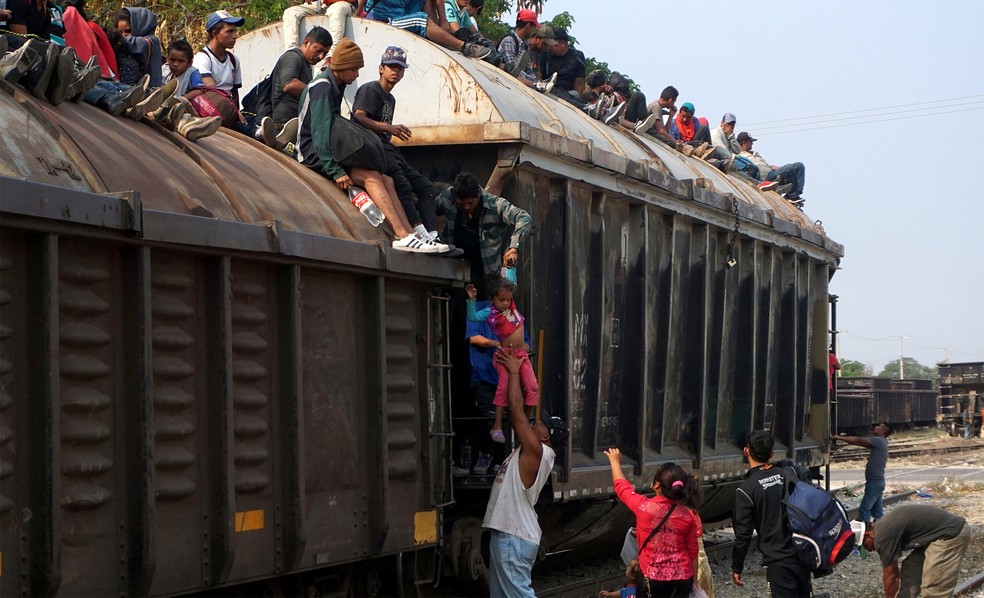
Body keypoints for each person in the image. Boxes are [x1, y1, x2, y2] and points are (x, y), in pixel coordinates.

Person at [297, 38, 450, 254]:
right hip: (312, 154)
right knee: (372, 177)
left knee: (386, 179)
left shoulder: (335, 84)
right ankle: (402, 234)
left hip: (325, 151)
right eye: (355, 69)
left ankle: (412, 235)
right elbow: (320, 132)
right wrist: (335, 170)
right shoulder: (323, 86)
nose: (357, 74)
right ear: (342, 67)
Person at [482, 349, 560, 598]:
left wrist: (515, 370)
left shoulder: (537, 451)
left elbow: (516, 415)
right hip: (511, 535)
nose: (536, 422)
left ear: (546, 436)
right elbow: (521, 414)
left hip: (513, 537)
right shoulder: (532, 450)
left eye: (541, 423)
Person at [352, 45, 442, 243]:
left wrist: (389, 132)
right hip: (372, 148)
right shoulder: (370, 89)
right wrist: (387, 128)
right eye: (391, 66)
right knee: (400, 183)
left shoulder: (390, 99)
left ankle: (433, 235)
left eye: (400, 68)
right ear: (381, 68)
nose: (396, 71)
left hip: (387, 148)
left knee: (426, 187)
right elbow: (358, 118)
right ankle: (416, 232)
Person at [604, 451, 700, 598]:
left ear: (656, 485)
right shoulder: (687, 516)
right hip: (682, 580)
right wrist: (695, 583)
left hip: (652, 579)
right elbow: (693, 552)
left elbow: (622, 488)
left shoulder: (644, 507)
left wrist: (615, 462)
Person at [731, 430, 813, 598]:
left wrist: (737, 567)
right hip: (801, 553)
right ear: (772, 453)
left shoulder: (746, 490)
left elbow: (743, 535)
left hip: (778, 561)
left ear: (746, 451)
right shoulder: (787, 475)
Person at [465, 272, 537, 443]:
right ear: (492, 298)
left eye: (507, 300)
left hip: (519, 356)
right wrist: (471, 300)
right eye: (501, 300)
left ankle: (526, 424)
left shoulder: (511, 306)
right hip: (502, 358)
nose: (505, 303)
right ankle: (497, 427)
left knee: (532, 387)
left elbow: (511, 283)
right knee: (501, 392)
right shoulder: (488, 312)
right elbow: (473, 324)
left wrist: (511, 263)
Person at [435, 171, 533, 286]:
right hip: (451, 269)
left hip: (485, 275)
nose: (466, 207)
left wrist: (514, 247)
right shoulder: (447, 198)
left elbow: (524, 218)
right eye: (462, 204)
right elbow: (428, 210)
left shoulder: (496, 206)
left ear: (479, 193)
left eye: (470, 203)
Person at [861, 504, 972, 598]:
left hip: (951, 535)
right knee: (911, 568)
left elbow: (891, 575)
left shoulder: (882, 536)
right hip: (935, 536)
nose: (869, 550)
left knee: (934, 586)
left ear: (868, 535)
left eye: (865, 546)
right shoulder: (882, 528)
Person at [364, 0, 491, 60]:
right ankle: (464, 47)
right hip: (384, 22)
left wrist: (442, 20)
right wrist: (358, 15)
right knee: (420, 19)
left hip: (400, 18)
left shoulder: (465, 14)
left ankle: (440, 41)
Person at [271, 26, 331, 127]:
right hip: (285, 123)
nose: (321, 56)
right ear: (306, 42)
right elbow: (288, 84)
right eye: (318, 50)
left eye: (325, 53)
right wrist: (318, 91)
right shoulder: (293, 57)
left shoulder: (306, 63)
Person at [834, 422, 892, 524]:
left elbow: (858, 440)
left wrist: (840, 437)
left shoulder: (878, 441)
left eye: (878, 426)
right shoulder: (882, 442)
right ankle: (880, 529)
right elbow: (858, 442)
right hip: (877, 483)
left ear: (882, 431)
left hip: (875, 483)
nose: (875, 427)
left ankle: (866, 532)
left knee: (864, 510)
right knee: (877, 512)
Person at [736, 132, 807, 204]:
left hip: (772, 173)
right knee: (790, 168)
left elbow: (766, 165)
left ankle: (797, 193)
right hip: (765, 178)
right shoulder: (739, 155)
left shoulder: (754, 154)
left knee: (799, 166)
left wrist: (781, 169)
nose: (752, 143)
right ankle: (791, 197)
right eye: (750, 141)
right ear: (743, 142)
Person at [496, 9, 554, 92]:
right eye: (534, 27)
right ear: (528, 25)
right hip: (505, 82)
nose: (534, 30)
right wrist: (534, 82)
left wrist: (535, 80)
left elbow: (529, 69)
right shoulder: (509, 41)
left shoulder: (525, 46)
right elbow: (512, 69)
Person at [282, 0, 357, 58]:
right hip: (319, 4)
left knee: (336, 10)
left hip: (342, 4)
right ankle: (292, 54)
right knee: (290, 12)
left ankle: (330, 56)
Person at [538, 27, 584, 106]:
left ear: (562, 43)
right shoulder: (545, 55)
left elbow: (579, 84)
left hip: (569, 93)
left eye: (553, 45)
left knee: (574, 95)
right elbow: (539, 76)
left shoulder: (577, 56)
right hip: (549, 89)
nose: (549, 47)